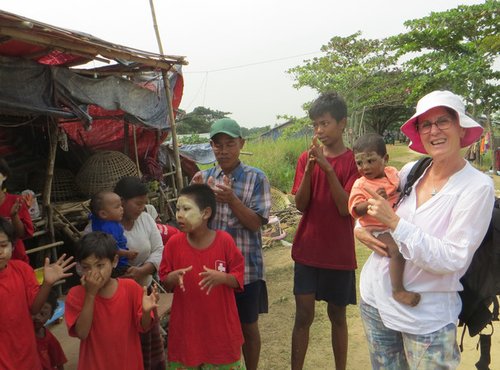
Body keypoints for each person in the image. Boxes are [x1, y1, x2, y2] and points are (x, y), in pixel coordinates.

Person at [356, 90, 494, 369]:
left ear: (459, 127)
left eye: (443, 121)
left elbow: (453, 258)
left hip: (427, 319)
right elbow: (371, 205)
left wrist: (396, 224)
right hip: (374, 301)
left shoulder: (477, 187)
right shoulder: (412, 171)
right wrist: (359, 228)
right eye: (426, 124)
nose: (435, 131)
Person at [192, 118, 271, 370]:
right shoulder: (203, 179)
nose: (223, 150)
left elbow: (255, 224)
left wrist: (232, 200)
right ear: (211, 146)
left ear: (241, 144)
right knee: (215, 327)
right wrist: (194, 196)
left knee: (248, 326)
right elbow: (193, 227)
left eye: (229, 144)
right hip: (212, 271)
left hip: (245, 270)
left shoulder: (256, 178)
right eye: (218, 145)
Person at [290, 92, 359, 370]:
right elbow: (300, 205)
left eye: (325, 123)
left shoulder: (354, 162)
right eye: (316, 125)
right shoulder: (306, 158)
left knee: (337, 316)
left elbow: (346, 208)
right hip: (307, 251)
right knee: (303, 316)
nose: (319, 131)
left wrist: (328, 169)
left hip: (339, 255)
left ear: (342, 123)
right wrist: (309, 169)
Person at [160, 184, 245, 369]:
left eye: (186, 209)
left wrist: (223, 278)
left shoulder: (224, 241)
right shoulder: (173, 244)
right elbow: (165, 281)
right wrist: (172, 278)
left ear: (206, 213)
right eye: (178, 209)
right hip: (187, 332)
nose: (179, 215)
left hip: (220, 332)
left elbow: (238, 277)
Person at [65, 232, 159, 370]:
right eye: (86, 267)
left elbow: (144, 326)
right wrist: (90, 295)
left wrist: (146, 312)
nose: (94, 273)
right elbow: (82, 333)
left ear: (114, 261)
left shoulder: (130, 288)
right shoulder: (76, 295)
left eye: (100, 265)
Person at [348, 133, 420, 307]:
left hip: (393, 223)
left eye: (371, 161)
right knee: (396, 251)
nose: (365, 167)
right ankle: (398, 291)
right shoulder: (361, 184)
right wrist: (370, 202)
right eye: (359, 163)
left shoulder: (393, 174)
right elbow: (355, 209)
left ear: (385, 159)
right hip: (377, 227)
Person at [0, 217, 75, 370]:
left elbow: (34, 308)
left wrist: (47, 284)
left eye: (2, 245)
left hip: (25, 352)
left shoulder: (21, 270)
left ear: (13, 246)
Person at [114, 176, 166, 370]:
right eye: (137, 203)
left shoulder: (145, 219)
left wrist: (143, 270)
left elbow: (159, 249)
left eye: (144, 203)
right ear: (121, 201)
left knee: (149, 346)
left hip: (145, 293)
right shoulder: (105, 227)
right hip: (117, 298)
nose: (142, 208)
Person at [89, 191, 138, 276]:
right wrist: (127, 254)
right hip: (117, 265)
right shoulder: (108, 228)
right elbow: (111, 249)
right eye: (117, 207)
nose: (122, 209)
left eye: (121, 205)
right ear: (103, 214)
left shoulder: (98, 220)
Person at [0, 158, 34, 263]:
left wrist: (14, 216)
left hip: (16, 260)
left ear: (4, 176)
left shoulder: (16, 201)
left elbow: (22, 234)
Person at [33, 289, 67, 370]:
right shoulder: (21, 334)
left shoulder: (49, 339)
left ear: (51, 316)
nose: (37, 317)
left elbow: (59, 362)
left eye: (42, 314)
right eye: (34, 311)